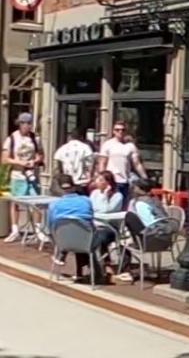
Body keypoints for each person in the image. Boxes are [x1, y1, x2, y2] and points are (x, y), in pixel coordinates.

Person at [47, 182, 116, 283]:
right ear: (74, 188)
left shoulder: (53, 205)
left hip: (63, 242)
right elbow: (91, 219)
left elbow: (50, 227)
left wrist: (56, 242)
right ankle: (101, 269)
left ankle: (62, 256)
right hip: (85, 240)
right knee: (98, 235)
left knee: (76, 235)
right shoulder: (86, 201)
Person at [5, 113, 43, 243]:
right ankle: (15, 230)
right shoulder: (12, 138)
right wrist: (20, 162)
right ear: (19, 124)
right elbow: (4, 159)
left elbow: (40, 155)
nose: (26, 126)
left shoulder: (35, 138)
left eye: (28, 123)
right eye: (23, 123)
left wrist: (34, 161)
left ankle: (38, 230)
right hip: (18, 175)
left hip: (31, 175)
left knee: (37, 202)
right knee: (15, 202)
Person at [98, 120, 144, 190]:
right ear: (113, 131)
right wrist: (102, 180)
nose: (120, 132)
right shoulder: (107, 144)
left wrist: (144, 177)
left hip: (125, 181)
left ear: (126, 131)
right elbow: (102, 163)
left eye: (123, 130)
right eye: (117, 130)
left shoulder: (130, 146)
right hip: (111, 181)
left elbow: (137, 164)